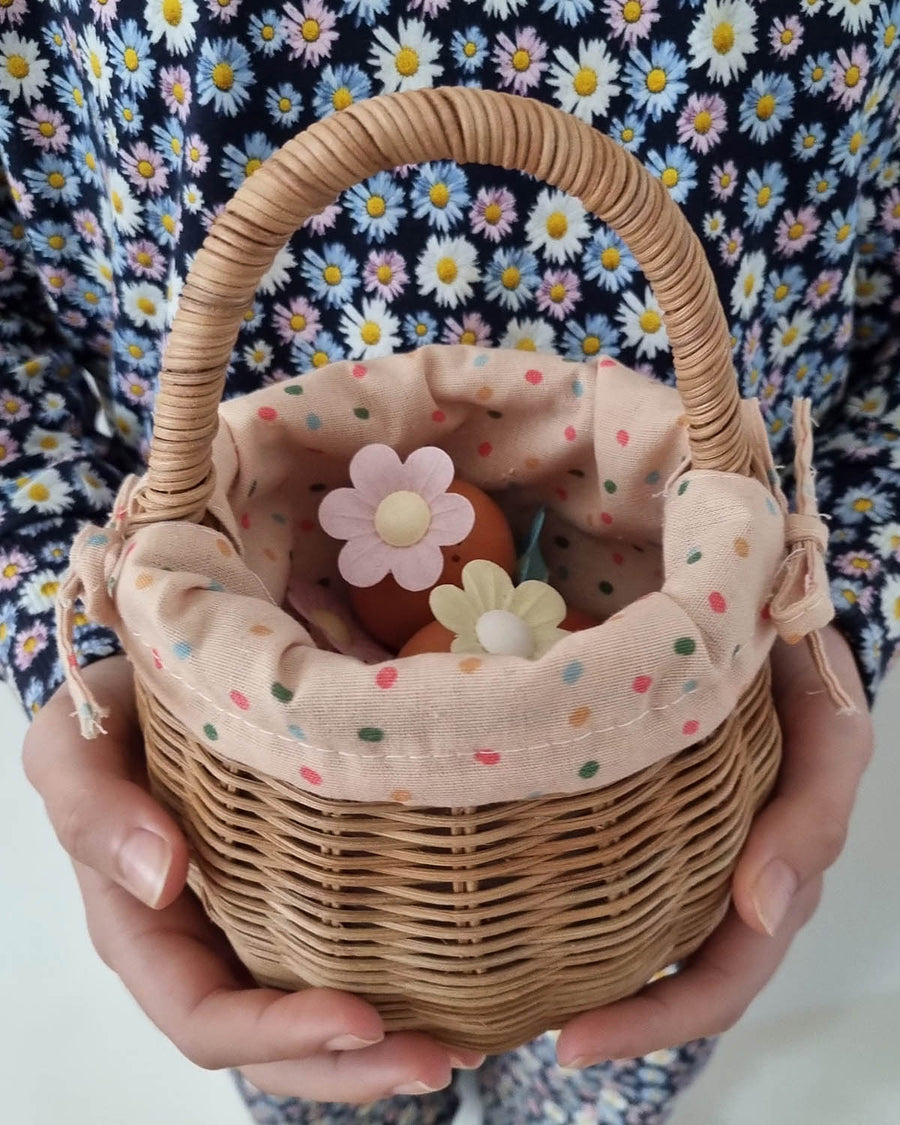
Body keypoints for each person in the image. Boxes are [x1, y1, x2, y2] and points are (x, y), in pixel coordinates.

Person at [1, 0, 893, 1121]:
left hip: (677, 815)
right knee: (333, 1084)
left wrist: (831, 621)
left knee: (604, 1088)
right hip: (262, 836)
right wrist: (78, 651)